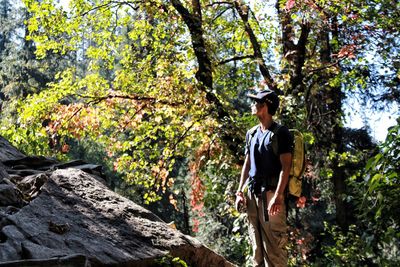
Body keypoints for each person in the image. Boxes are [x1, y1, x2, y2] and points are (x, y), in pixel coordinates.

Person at [235, 89, 293, 267]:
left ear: (266, 106)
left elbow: (286, 167)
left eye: (257, 102)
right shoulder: (251, 133)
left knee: (275, 251)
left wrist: (278, 195)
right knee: (256, 251)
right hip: (252, 196)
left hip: (271, 198)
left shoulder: (280, 133)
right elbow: (247, 164)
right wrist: (239, 192)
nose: (253, 105)